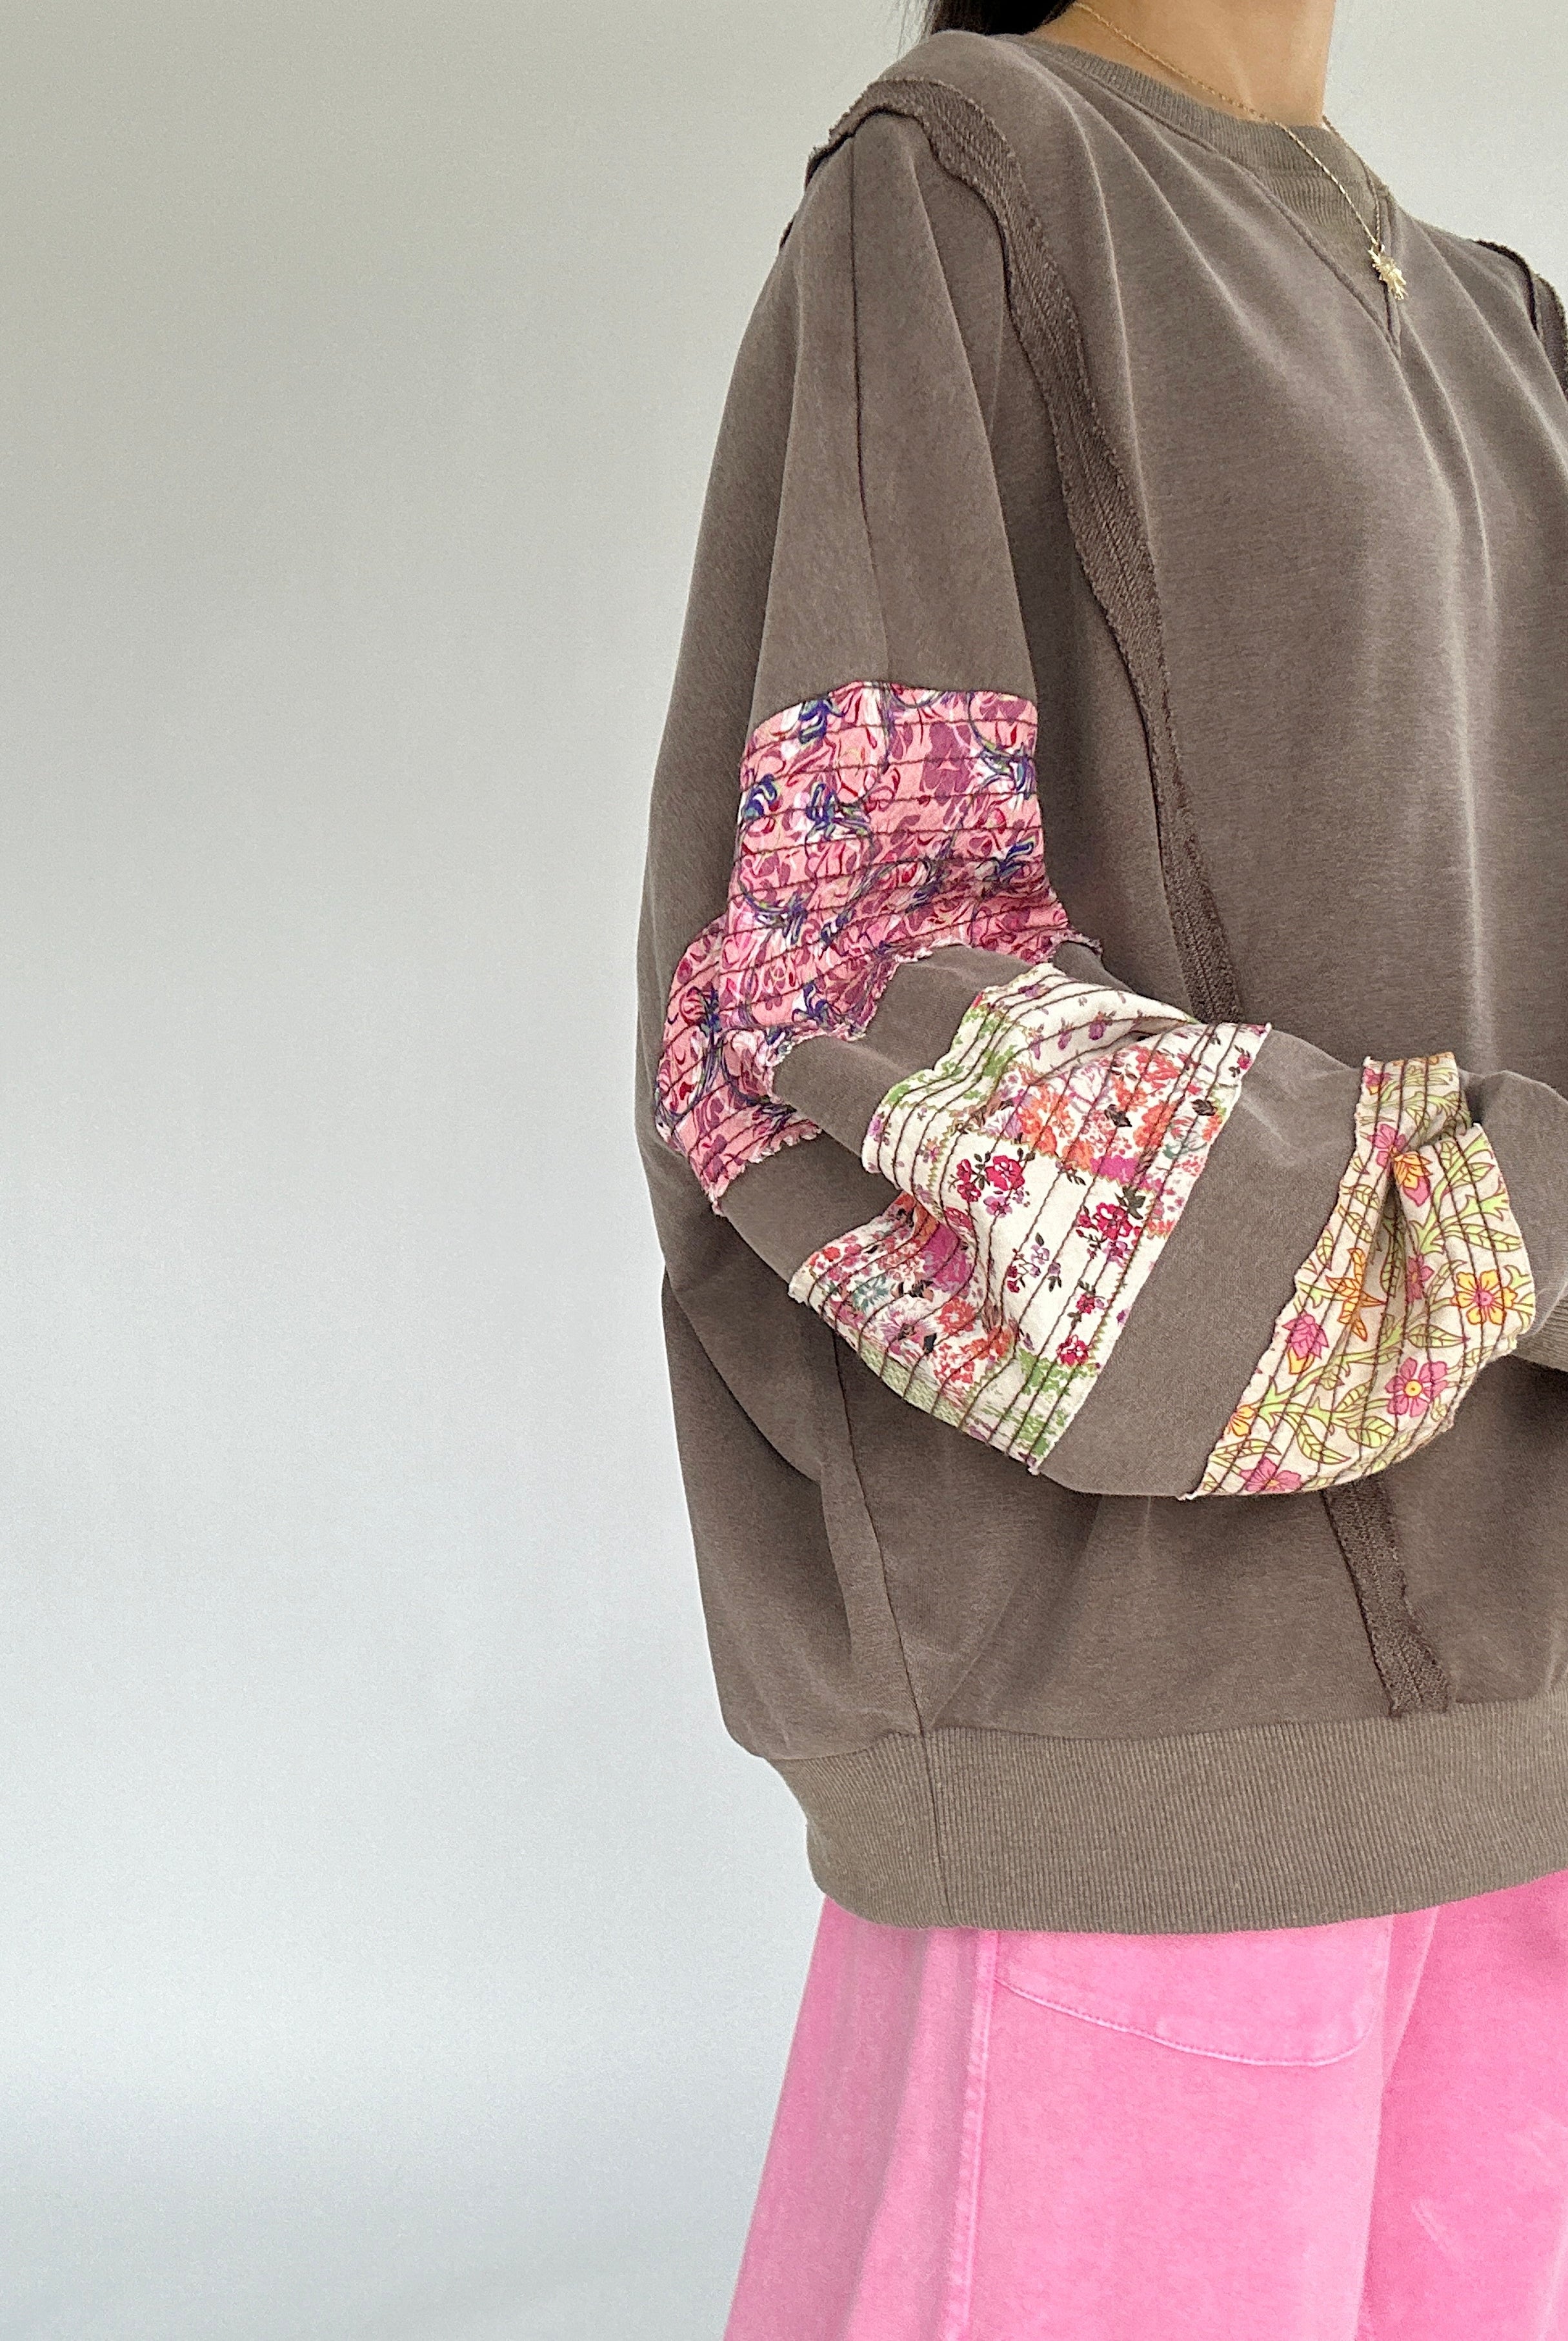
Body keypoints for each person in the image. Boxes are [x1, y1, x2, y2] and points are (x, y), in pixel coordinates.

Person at [634, 1, 1568, 2331]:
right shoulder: (974, 175)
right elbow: (847, 979)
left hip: (1539, 1739)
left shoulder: (1507, 324)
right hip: (1143, 1751)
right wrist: (1490, 1218)